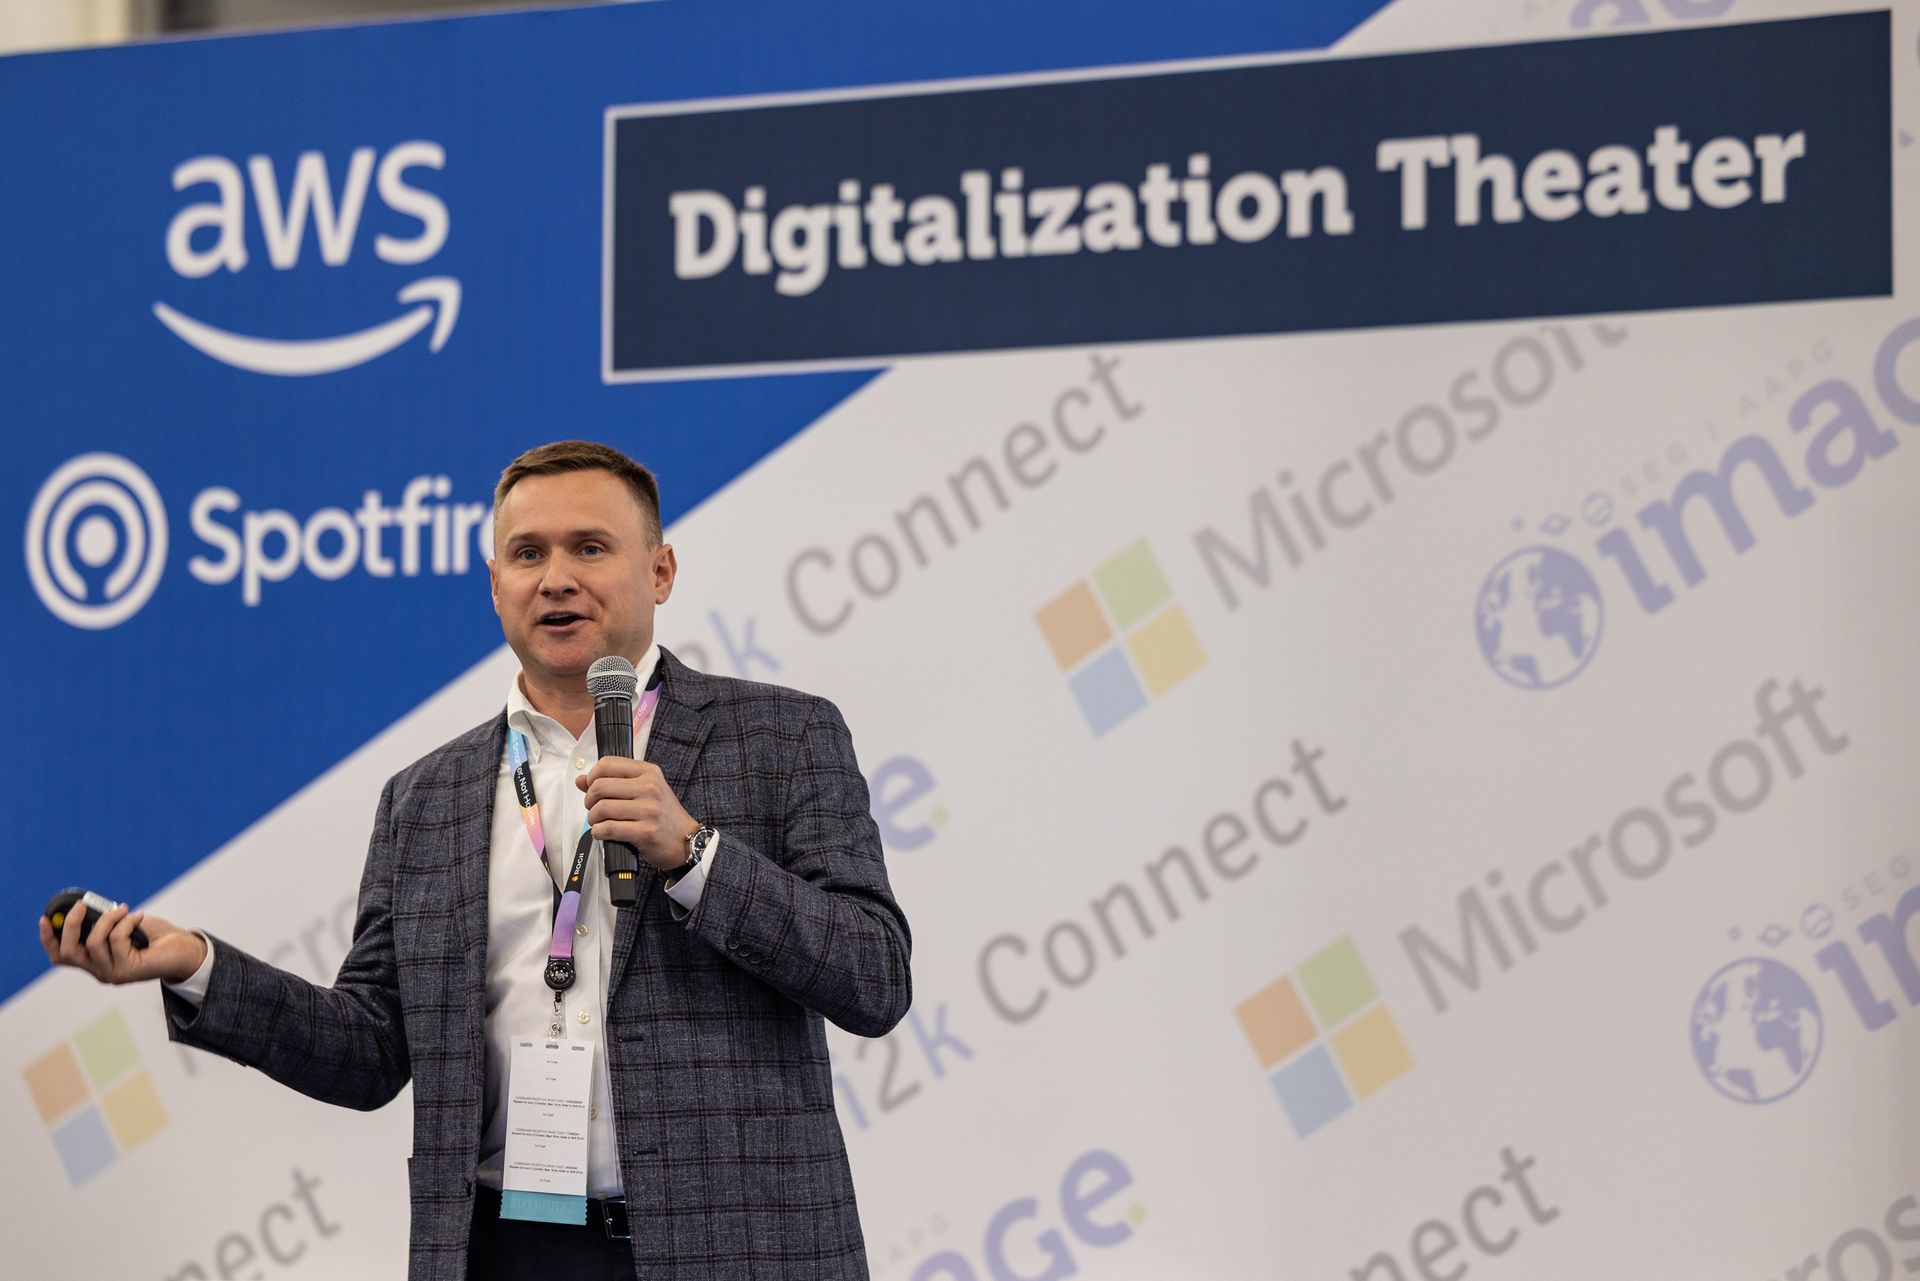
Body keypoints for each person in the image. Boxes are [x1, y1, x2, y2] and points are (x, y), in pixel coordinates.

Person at [39, 440, 912, 1280]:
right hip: (506, 1247)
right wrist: (198, 964)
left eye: (590, 546)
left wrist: (696, 855)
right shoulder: (424, 798)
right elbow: (370, 1049)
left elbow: (874, 976)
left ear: (660, 571)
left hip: (739, 1247)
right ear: (496, 588)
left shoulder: (784, 735)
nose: (557, 576)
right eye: (526, 552)